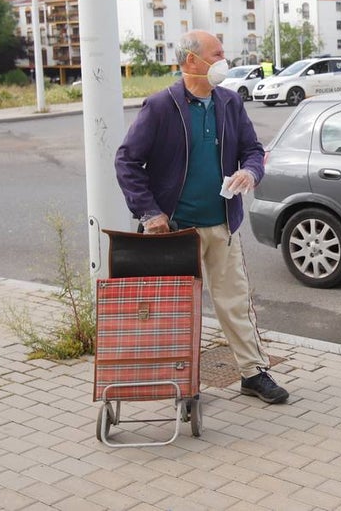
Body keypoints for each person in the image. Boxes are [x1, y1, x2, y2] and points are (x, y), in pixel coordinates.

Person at [115, 30, 289, 404]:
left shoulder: (229, 102)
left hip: (223, 224)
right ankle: (181, 382)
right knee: (177, 307)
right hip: (175, 230)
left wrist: (251, 172)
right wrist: (150, 213)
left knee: (235, 302)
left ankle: (252, 372)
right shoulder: (161, 106)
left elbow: (252, 149)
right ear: (192, 61)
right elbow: (127, 161)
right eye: (218, 53)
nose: (225, 60)